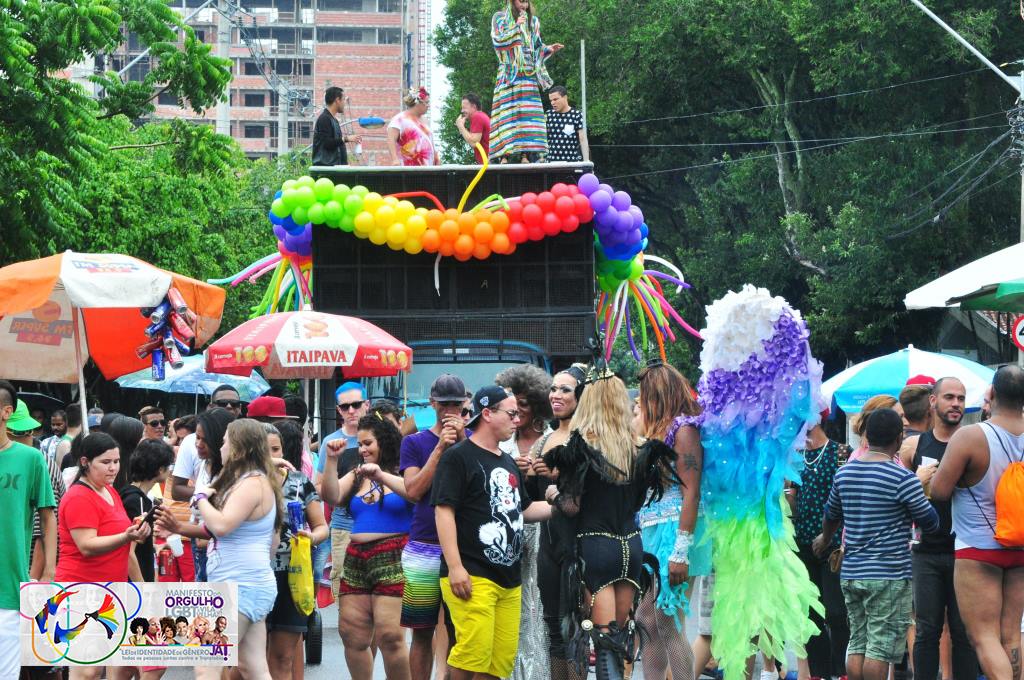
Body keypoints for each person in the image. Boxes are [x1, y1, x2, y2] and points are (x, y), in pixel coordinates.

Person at [542, 370, 678, 680]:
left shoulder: (581, 449)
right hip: (631, 547)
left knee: (605, 643)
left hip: (597, 547)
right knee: (619, 639)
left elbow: (572, 506)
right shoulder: (639, 448)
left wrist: (553, 493)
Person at [432, 385, 554, 680]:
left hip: (509, 580)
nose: (517, 420)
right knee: (472, 656)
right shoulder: (458, 457)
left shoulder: (507, 460)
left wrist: (561, 504)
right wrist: (456, 567)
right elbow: (443, 511)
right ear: (487, 413)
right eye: (511, 413)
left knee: (498, 664)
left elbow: (523, 511)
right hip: (472, 574)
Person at [813, 408, 939, 680]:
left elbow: (831, 515)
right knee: (879, 648)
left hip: (852, 573)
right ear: (899, 438)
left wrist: (824, 539)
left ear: (867, 436)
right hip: (888, 575)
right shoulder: (903, 479)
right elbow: (930, 522)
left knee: (858, 640)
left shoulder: (845, 473)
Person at [931, 365, 1024, 680]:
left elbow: (940, 491)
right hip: (1021, 546)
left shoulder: (971, 436)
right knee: (1011, 634)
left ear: (992, 393)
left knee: (983, 636)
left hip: (978, 548)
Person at [896, 378, 978, 680]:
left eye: (961, 398)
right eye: (949, 397)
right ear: (933, 401)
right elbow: (897, 498)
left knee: (964, 631)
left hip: (965, 550)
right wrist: (915, 482)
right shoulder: (913, 445)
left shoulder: (974, 441)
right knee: (927, 630)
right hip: (925, 551)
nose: (956, 403)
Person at [190, 418, 283, 680]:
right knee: (252, 666)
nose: (220, 447)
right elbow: (271, 543)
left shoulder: (252, 483)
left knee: (206, 664)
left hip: (240, 588)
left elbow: (221, 526)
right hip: (249, 584)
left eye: (224, 442)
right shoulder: (257, 481)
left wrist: (201, 499)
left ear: (238, 447)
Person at [323, 415, 414, 680]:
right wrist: (331, 460)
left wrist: (382, 475)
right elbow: (331, 496)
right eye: (360, 444)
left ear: (384, 442)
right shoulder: (356, 472)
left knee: (390, 636)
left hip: (394, 553)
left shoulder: (404, 469)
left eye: (368, 443)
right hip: (356, 556)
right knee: (352, 633)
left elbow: (414, 493)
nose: (362, 449)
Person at [634, 362, 709, 680]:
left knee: (668, 621)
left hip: (677, 533)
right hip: (653, 531)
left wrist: (680, 551)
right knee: (646, 621)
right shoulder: (660, 431)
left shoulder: (685, 430)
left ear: (656, 395)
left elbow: (691, 492)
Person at [399, 373, 469, 680]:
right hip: (424, 546)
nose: (450, 410)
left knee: (460, 631)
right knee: (422, 631)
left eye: (456, 404)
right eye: (444, 404)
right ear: (432, 403)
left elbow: (477, 484)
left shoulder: (473, 441)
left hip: (463, 547)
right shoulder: (414, 442)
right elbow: (413, 491)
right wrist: (440, 448)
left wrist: (464, 442)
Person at [493, 364, 554, 680]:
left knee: (538, 605)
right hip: (508, 536)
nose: (517, 414)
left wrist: (544, 472)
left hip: (545, 532)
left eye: (524, 406)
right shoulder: (500, 442)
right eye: (512, 407)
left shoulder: (550, 439)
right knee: (512, 608)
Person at [532, 364, 587, 680]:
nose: (555, 395)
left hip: (578, 546)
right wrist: (526, 473)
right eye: (553, 388)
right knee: (554, 630)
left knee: (576, 630)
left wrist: (557, 477)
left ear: (581, 395)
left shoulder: (588, 438)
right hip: (547, 546)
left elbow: (585, 499)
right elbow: (529, 499)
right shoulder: (545, 440)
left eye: (565, 389)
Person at [0, 381, 57, 680]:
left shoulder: (31, 459)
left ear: (6, 412)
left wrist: (49, 571)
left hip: (8, 589)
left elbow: (48, 516)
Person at [265, 420, 328, 680]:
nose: (271, 457)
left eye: (276, 449)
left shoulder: (300, 483)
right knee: (242, 662)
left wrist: (311, 538)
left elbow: (322, 526)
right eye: (263, 451)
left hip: (291, 576)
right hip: (251, 578)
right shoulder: (240, 483)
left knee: (284, 656)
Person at [791, 415, 851, 680]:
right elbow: (793, 502)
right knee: (810, 614)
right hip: (801, 542)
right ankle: (819, 673)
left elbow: (846, 499)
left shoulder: (841, 452)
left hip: (834, 545)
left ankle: (841, 671)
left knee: (836, 612)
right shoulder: (794, 456)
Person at [489, 0, 563, 163]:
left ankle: (525, 154)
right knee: (508, 113)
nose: (524, 5)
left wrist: (548, 49)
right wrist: (516, 27)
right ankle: (505, 155)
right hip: (509, 73)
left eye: (527, 2)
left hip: (528, 73)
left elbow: (536, 46)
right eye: (521, 1)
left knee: (528, 114)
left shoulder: (533, 22)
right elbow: (497, 41)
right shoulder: (499, 18)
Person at [317, 381, 370, 598]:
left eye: (356, 405)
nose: (351, 411)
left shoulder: (381, 437)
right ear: (338, 410)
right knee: (345, 595)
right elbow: (319, 487)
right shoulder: (331, 442)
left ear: (367, 405)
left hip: (379, 524)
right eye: (345, 407)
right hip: (343, 527)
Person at [170, 407, 235, 581]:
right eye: (197, 438)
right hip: (199, 541)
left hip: (222, 550)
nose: (198, 444)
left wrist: (203, 499)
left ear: (221, 441)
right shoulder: (207, 464)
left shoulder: (235, 474)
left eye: (205, 440)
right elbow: (178, 490)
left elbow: (224, 526)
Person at [171, 384, 243, 502]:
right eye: (222, 403)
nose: (229, 407)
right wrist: (203, 493)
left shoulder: (245, 455)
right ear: (210, 406)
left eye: (234, 404)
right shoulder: (205, 462)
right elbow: (177, 490)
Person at [120, 439, 175, 582]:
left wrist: (156, 546)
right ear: (160, 469)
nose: (170, 470)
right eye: (169, 466)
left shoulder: (127, 492)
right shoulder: (137, 501)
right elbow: (128, 552)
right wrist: (142, 588)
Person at [388, 87, 439, 166]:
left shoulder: (425, 121)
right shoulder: (399, 119)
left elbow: (430, 142)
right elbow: (391, 139)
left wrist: (436, 159)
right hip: (408, 170)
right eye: (426, 102)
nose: (428, 106)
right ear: (418, 103)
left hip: (428, 170)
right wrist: (395, 159)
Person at [313, 85, 359, 167]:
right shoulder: (324, 118)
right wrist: (346, 139)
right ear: (337, 100)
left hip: (335, 168)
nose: (344, 103)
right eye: (343, 99)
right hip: (325, 170)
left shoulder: (334, 120)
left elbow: (337, 145)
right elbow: (327, 143)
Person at [545, 86, 589, 163]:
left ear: (565, 97)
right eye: (551, 100)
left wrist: (586, 162)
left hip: (571, 163)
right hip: (550, 164)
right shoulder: (548, 115)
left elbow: (583, 139)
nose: (552, 103)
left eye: (555, 99)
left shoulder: (577, 115)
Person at [107, 414, 145, 491]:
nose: (144, 440)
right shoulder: (109, 471)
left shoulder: (137, 465)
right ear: (132, 440)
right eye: (142, 436)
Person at [455, 93, 491, 162]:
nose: (462, 111)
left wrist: (461, 127)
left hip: (488, 165)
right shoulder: (481, 116)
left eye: (464, 108)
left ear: (474, 107)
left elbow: (474, 142)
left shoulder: (477, 116)